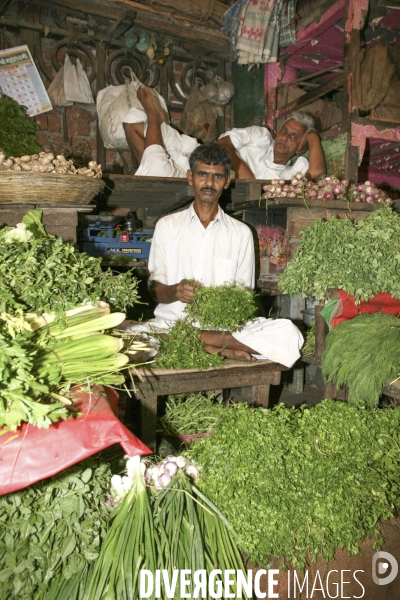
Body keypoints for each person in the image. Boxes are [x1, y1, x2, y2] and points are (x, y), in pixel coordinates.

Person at [146, 142, 303, 368]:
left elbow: (244, 297)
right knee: (139, 336)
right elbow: (154, 290)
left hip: (224, 330)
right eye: (202, 174)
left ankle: (210, 345)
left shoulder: (241, 234)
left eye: (217, 176)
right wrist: (175, 291)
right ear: (190, 177)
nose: (209, 183)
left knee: (288, 332)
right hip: (172, 324)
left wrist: (221, 308)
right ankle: (221, 349)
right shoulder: (167, 226)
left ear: (228, 180)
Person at [123, 85, 325, 181]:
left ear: (300, 148)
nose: (283, 138)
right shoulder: (262, 136)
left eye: (293, 137)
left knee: (155, 172)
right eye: (284, 131)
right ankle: (154, 127)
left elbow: (316, 173)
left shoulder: (288, 173)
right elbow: (223, 143)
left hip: (202, 175)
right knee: (131, 121)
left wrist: (313, 136)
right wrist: (244, 173)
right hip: (196, 150)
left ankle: (154, 117)